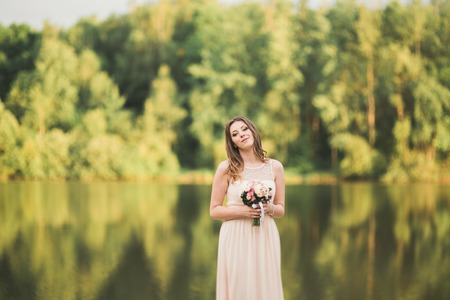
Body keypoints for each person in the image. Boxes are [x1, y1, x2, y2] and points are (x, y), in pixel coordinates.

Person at [210, 116, 285, 300]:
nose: (241, 135)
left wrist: (270, 209)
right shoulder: (226, 168)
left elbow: (281, 209)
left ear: (252, 130)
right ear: (232, 142)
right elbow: (214, 210)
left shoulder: (275, 167)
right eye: (235, 134)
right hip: (236, 236)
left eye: (244, 129)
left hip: (265, 234)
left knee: (266, 286)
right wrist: (243, 212)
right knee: (240, 288)